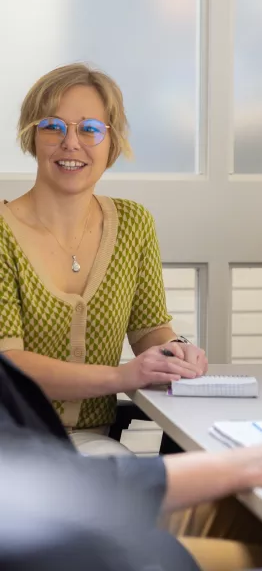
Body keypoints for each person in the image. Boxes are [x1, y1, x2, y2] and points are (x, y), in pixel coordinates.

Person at [0, 63, 208, 449]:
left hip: (89, 444)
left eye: (90, 129)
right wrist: (122, 377)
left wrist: (174, 352)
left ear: (112, 142)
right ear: (32, 136)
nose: (71, 143)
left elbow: (149, 330)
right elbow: (8, 364)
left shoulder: (133, 223)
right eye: (53, 127)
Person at [0, 352, 262, 570]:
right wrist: (236, 465)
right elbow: (49, 488)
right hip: (75, 548)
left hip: (70, 514)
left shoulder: (129, 228)